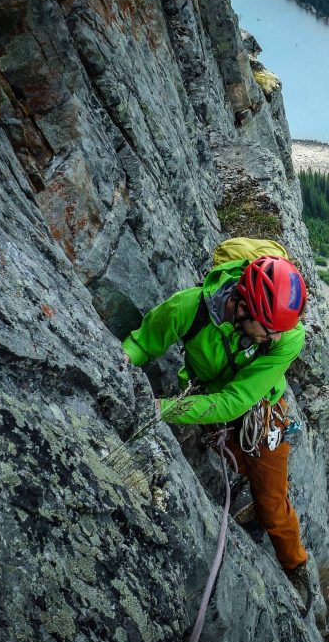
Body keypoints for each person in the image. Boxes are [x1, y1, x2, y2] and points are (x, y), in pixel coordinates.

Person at [120, 253, 318, 610]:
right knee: (239, 466)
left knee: (272, 502)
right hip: (209, 396)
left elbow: (236, 400)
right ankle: (244, 489)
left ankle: (296, 564)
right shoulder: (188, 308)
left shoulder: (289, 337)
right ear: (242, 308)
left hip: (260, 409)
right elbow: (143, 342)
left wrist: (161, 410)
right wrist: (116, 366)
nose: (274, 339)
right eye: (268, 330)